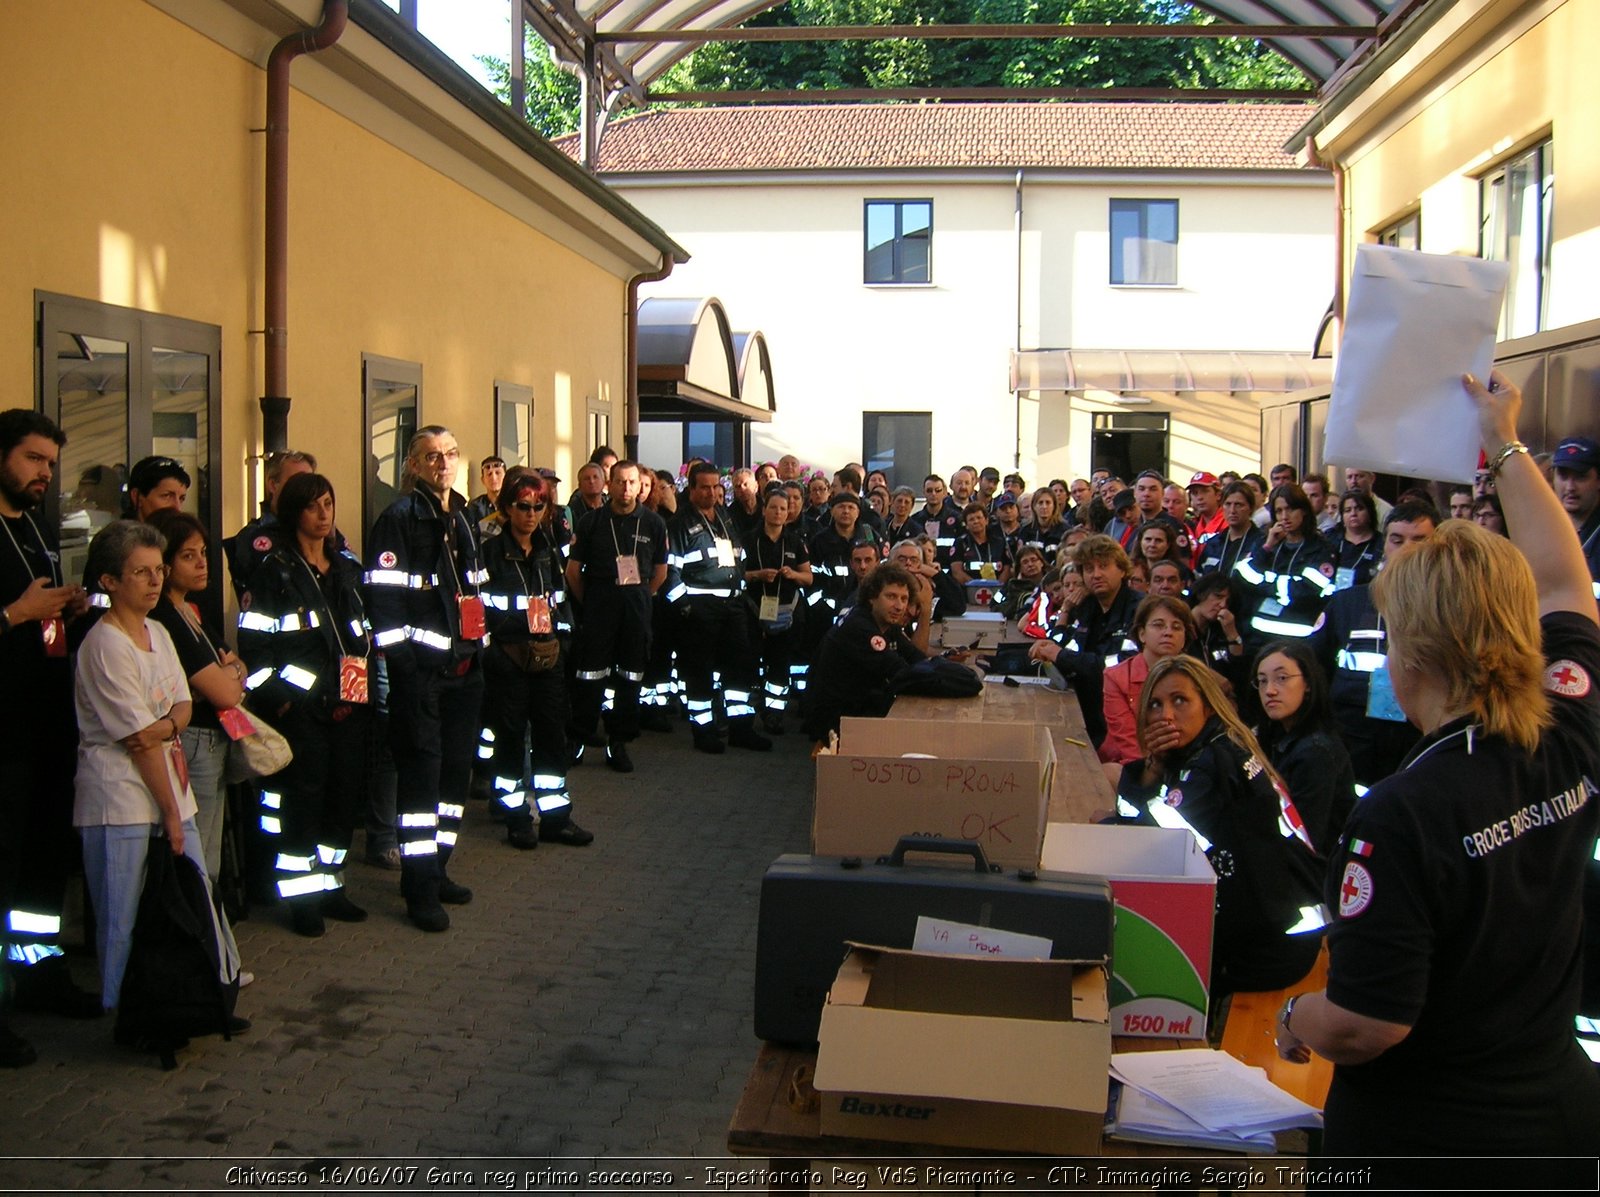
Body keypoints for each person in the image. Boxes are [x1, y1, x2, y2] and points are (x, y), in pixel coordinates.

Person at [1275, 371, 1600, 1159]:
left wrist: (1295, 1018)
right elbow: (1566, 581)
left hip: (1432, 1141)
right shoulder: (1566, 727)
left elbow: (1366, 1022)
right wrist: (1505, 437)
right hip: (1563, 1119)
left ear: (1412, 652)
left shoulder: (1399, 813)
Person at [73, 520, 245, 1026]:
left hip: (174, 791)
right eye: (140, 573)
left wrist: (163, 725)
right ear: (109, 581)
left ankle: (206, 997)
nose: (153, 582)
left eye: (157, 571)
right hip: (120, 801)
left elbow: (184, 705)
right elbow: (137, 742)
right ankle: (127, 1012)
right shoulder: (105, 646)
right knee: (123, 914)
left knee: (196, 896)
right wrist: (170, 812)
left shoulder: (159, 630)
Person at [1116, 655, 1324, 1000]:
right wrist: (1150, 771)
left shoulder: (1214, 764)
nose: (1166, 715)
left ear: (1209, 707)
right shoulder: (1218, 745)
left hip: (1274, 947)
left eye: (1179, 700)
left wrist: (1112, 816)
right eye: (1155, 704)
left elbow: (1146, 845)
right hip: (1278, 926)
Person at [0, 410, 97, 1066]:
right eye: (34, 458)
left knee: (39, 868)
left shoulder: (32, 526)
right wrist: (16, 613)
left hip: (44, 730)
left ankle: (37, 974)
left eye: (50, 462)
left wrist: (67, 608)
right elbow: (16, 613)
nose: (45, 473)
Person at [236, 474, 374, 934]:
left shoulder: (346, 568)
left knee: (343, 799)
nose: (323, 514)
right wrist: (283, 705)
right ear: (295, 513)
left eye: (329, 504)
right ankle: (301, 898)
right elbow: (255, 651)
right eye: (313, 506)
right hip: (302, 712)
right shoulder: (274, 570)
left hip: (351, 704)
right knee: (304, 802)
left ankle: (332, 884)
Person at [366, 426, 485, 933]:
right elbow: (384, 600)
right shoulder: (398, 518)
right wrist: (406, 667)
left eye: (451, 454)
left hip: (464, 671)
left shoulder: (459, 513)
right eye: (432, 456)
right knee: (421, 786)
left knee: (455, 777)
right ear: (412, 465)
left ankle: (437, 870)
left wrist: (480, 650)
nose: (443, 463)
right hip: (423, 677)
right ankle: (417, 890)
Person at [479, 471, 589, 851]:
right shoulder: (489, 552)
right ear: (507, 508)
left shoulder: (547, 549)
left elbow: (559, 601)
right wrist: (494, 653)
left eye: (538, 506)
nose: (530, 514)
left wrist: (564, 640)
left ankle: (556, 817)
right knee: (510, 742)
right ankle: (516, 818)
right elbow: (477, 611)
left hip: (548, 659)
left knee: (551, 739)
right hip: (507, 660)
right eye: (523, 506)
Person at [146, 510, 247, 888]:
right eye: (188, 555)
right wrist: (232, 674)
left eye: (203, 551)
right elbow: (224, 690)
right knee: (198, 858)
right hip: (192, 743)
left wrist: (233, 671)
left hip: (212, 738)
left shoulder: (189, 611)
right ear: (165, 564)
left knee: (210, 856)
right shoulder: (165, 618)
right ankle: (198, 936)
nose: (203, 562)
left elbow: (237, 665)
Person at [1307, 500, 1437, 790]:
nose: (1407, 549)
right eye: (1397, 539)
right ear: (1384, 545)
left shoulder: (1449, 608)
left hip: (1418, 737)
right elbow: (1314, 665)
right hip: (1352, 735)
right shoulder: (1347, 603)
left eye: (1419, 539)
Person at [565, 460, 668, 775]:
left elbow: (660, 573)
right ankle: (579, 739)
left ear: (640, 485)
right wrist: (593, 602)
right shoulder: (591, 522)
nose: (626, 489)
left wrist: (639, 597)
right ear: (609, 485)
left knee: (630, 678)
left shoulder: (653, 523)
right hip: (599, 604)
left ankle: (618, 743)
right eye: (620, 482)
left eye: (632, 482)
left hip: (636, 606)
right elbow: (573, 572)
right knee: (589, 677)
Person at [666, 463, 771, 755]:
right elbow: (669, 573)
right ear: (691, 489)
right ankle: (704, 732)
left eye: (716, 487)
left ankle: (741, 729)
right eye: (704, 487)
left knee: (741, 669)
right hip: (701, 608)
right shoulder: (679, 524)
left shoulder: (724, 516)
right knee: (699, 673)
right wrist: (685, 607)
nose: (711, 492)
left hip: (733, 605)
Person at [1251, 640, 1356, 867]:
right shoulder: (1273, 737)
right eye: (1262, 681)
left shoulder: (1316, 751)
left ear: (1307, 682)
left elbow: (1305, 840)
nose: (1269, 690)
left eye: (1282, 678)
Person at [802, 563, 930, 748]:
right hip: (838, 721)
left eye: (904, 599)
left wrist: (942, 666)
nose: (899, 606)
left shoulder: (884, 624)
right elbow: (900, 671)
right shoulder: (860, 627)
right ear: (872, 597)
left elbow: (915, 657)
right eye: (891, 597)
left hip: (857, 708)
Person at [1029, 534, 1140, 748]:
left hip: (1122, 719)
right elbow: (1070, 648)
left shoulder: (1138, 610)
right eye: (1089, 569)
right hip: (1086, 708)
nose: (1096, 574)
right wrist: (1052, 648)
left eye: (1104, 566)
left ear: (1122, 570)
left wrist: (1060, 655)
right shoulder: (1088, 607)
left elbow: (1122, 666)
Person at [743, 484, 812, 735]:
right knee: (749, 662)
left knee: (780, 665)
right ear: (764, 510)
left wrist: (793, 574)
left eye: (783, 509)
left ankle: (774, 714)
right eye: (773, 507)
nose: (778, 512)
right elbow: (737, 575)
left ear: (788, 513)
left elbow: (809, 578)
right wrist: (756, 575)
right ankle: (748, 713)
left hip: (786, 612)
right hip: (752, 610)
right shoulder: (748, 539)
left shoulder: (795, 541)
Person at [1235, 483, 1335, 646]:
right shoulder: (1265, 541)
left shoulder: (1321, 548)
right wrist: (1267, 547)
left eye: (1290, 509)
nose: (1284, 516)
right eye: (1279, 511)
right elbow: (1241, 577)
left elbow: (1306, 590)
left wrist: (1265, 583)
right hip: (1259, 636)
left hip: (1299, 638)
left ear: (1303, 510)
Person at [1099, 595, 1194, 769]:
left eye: (1176, 627)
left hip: (1182, 764)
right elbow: (1128, 741)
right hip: (1128, 763)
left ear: (1184, 638)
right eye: (1158, 625)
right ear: (1142, 634)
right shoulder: (1116, 677)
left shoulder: (1196, 677)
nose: (1168, 632)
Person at [227, 449, 316, 601]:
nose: (305, 490)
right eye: (297, 482)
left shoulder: (322, 529)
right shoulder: (253, 537)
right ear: (273, 485)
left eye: (310, 482)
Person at [1331, 490, 1380, 590]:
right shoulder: (1330, 538)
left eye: (1359, 509)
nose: (1353, 513)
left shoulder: (1380, 543)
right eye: (1348, 510)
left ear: (1370, 513)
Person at [465, 455, 507, 534]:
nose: (494, 478)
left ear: (506, 477)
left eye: (498, 473)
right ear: (483, 480)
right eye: (489, 474)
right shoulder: (475, 507)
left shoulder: (513, 504)